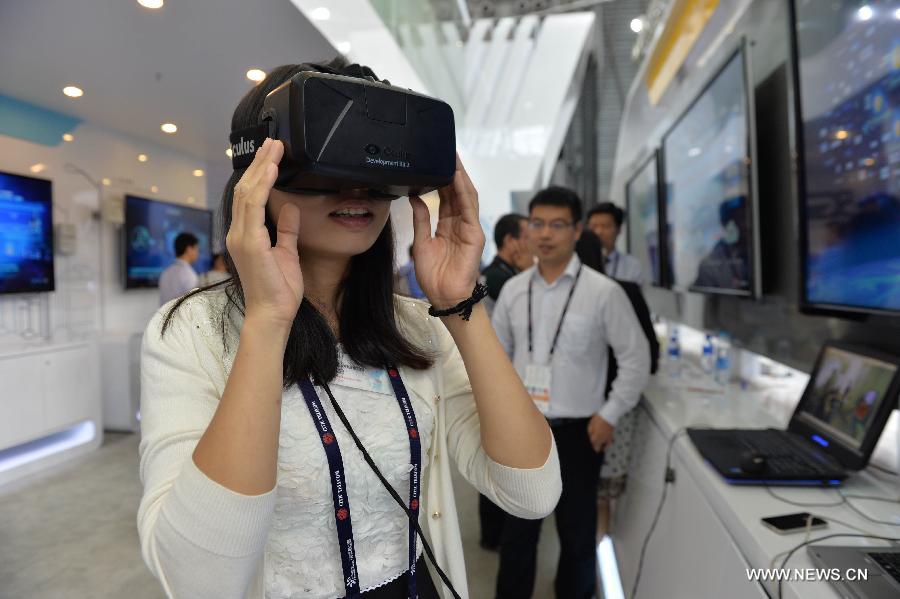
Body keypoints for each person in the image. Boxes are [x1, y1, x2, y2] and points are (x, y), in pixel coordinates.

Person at [137, 60, 561, 599]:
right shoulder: (193, 332)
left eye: (374, 160)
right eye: (330, 156)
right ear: (256, 170)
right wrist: (268, 321)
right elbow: (198, 580)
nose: (356, 187)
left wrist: (459, 306)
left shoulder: (414, 326)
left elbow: (532, 491)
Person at [492, 187, 650, 599]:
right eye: (537, 224)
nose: (545, 234)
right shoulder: (513, 291)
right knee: (517, 537)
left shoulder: (604, 292)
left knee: (578, 539)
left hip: (581, 433)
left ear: (577, 230)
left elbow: (636, 359)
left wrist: (610, 413)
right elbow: (496, 361)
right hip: (524, 432)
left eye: (557, 225)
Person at [575, 229, 659, 535]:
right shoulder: (623, 290)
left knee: (583, 495)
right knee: (601, 496)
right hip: (616, 408)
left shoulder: (582, 296)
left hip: (585, 411)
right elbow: (651, 353)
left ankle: (593, 561)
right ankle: (598, 559)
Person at [476, 212, 532, 552]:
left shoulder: (504, 274)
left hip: (498, 374)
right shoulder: (500, 278)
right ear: (511, 241)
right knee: (497, 457)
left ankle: (491, 534)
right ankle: (493, 535)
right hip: (498, 377)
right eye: (529, 233)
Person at [480, 213, 532, 318]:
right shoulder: (495, 277)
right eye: (527, 238)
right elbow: (531, 312)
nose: (533, 244)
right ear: (509, 240)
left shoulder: (507, 271)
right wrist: (530, 272)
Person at [586, 202, 645, 283]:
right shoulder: (577, 262)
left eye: (605, 226)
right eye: (593, 226)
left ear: (619, 229)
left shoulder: (632, 266)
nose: (598, 232)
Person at [158, 232, 200, 305]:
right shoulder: (189, 274)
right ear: (189, 249)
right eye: (196, 249)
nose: (198, 253)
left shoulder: (165, 272)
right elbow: (191, 306)